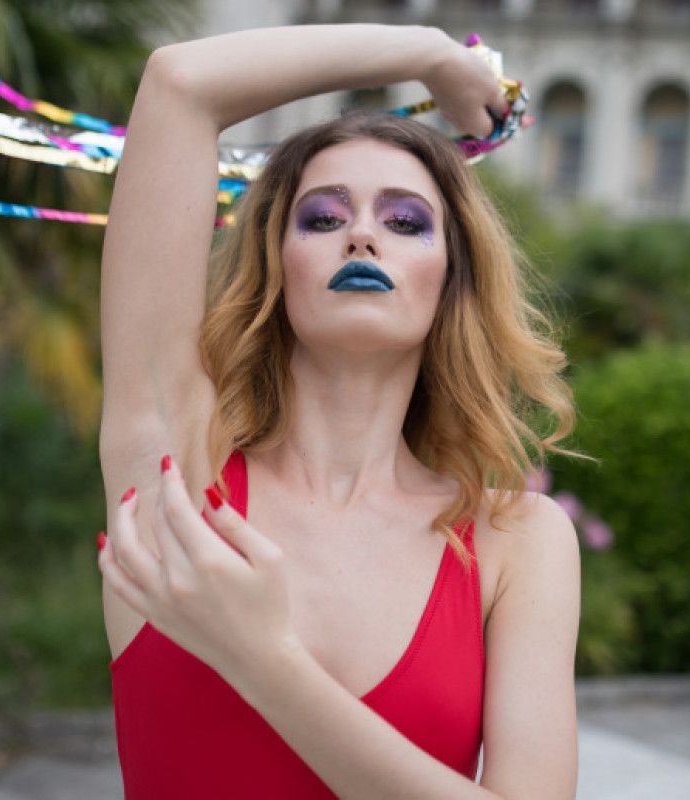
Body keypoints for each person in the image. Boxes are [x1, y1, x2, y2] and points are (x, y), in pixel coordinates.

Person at [97, 22, 582, 800]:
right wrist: (429, 53)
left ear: (450, 279)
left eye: (405, 221)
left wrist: (265, 661)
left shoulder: (515, 544)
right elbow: (179, 85)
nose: (361, 234)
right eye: (322, 218)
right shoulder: (177, 470)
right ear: (276, 266)